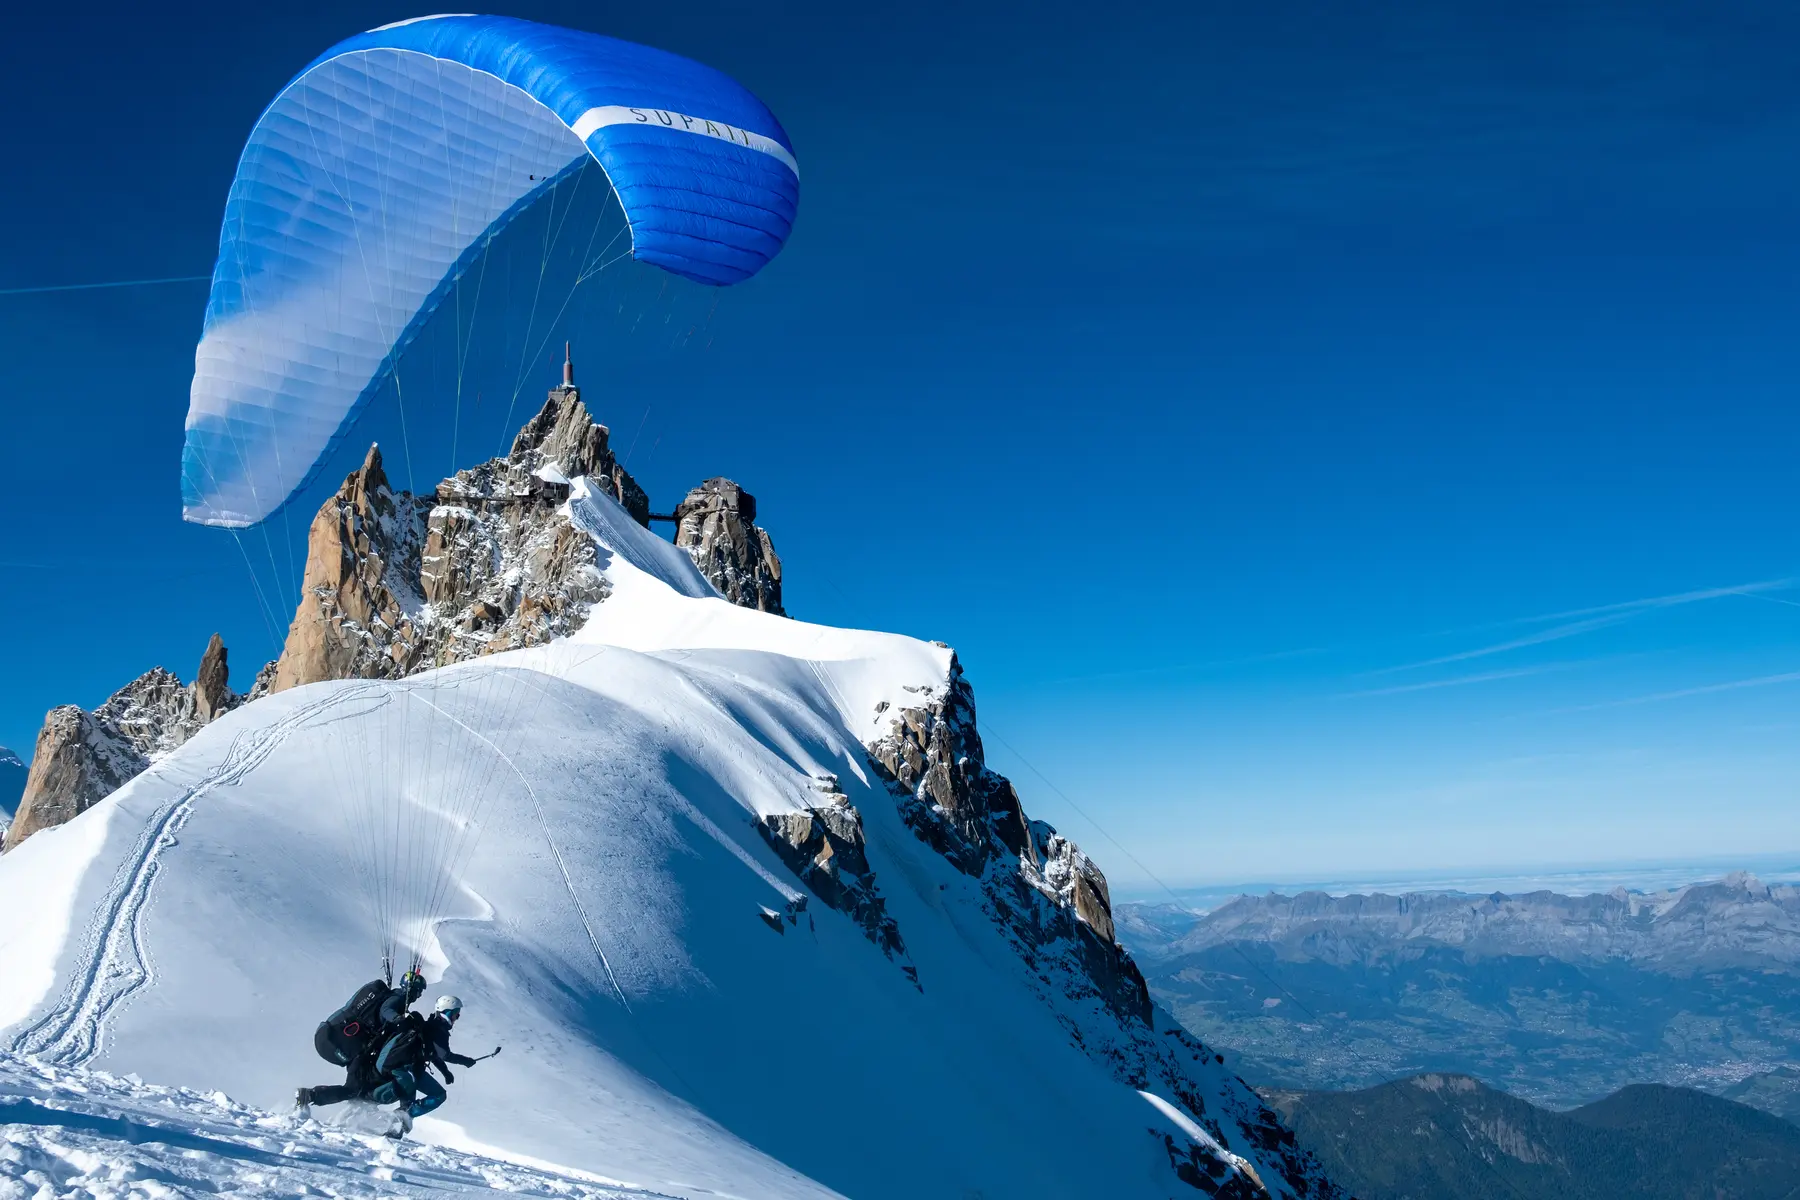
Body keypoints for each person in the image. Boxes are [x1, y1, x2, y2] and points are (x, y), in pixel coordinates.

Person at [297, 969, 427, 1111]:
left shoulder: (391, 996)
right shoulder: (397, 998)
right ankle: (308, 1096)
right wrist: (398, 1019)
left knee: (359, 1086)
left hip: (328, 1037)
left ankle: (354, 1112)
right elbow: (386, 1009)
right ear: (411, 989)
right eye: (418, 991)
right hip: (333, 1043)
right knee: (353, 1089)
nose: (418, 996)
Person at [368, 994, 479, 1133]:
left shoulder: (432, 1024)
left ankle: (394, 1127)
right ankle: (399, 1119)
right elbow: (444, 1055)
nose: (457, 1018)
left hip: (409, 1069)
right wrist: (465, 1061)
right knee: (438, 1095)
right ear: (449, 1011)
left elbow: (431, 1053)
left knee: (408, 1105)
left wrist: (446, 1072)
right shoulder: (440, 1029)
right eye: (457, 1014)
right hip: (409, 1070)